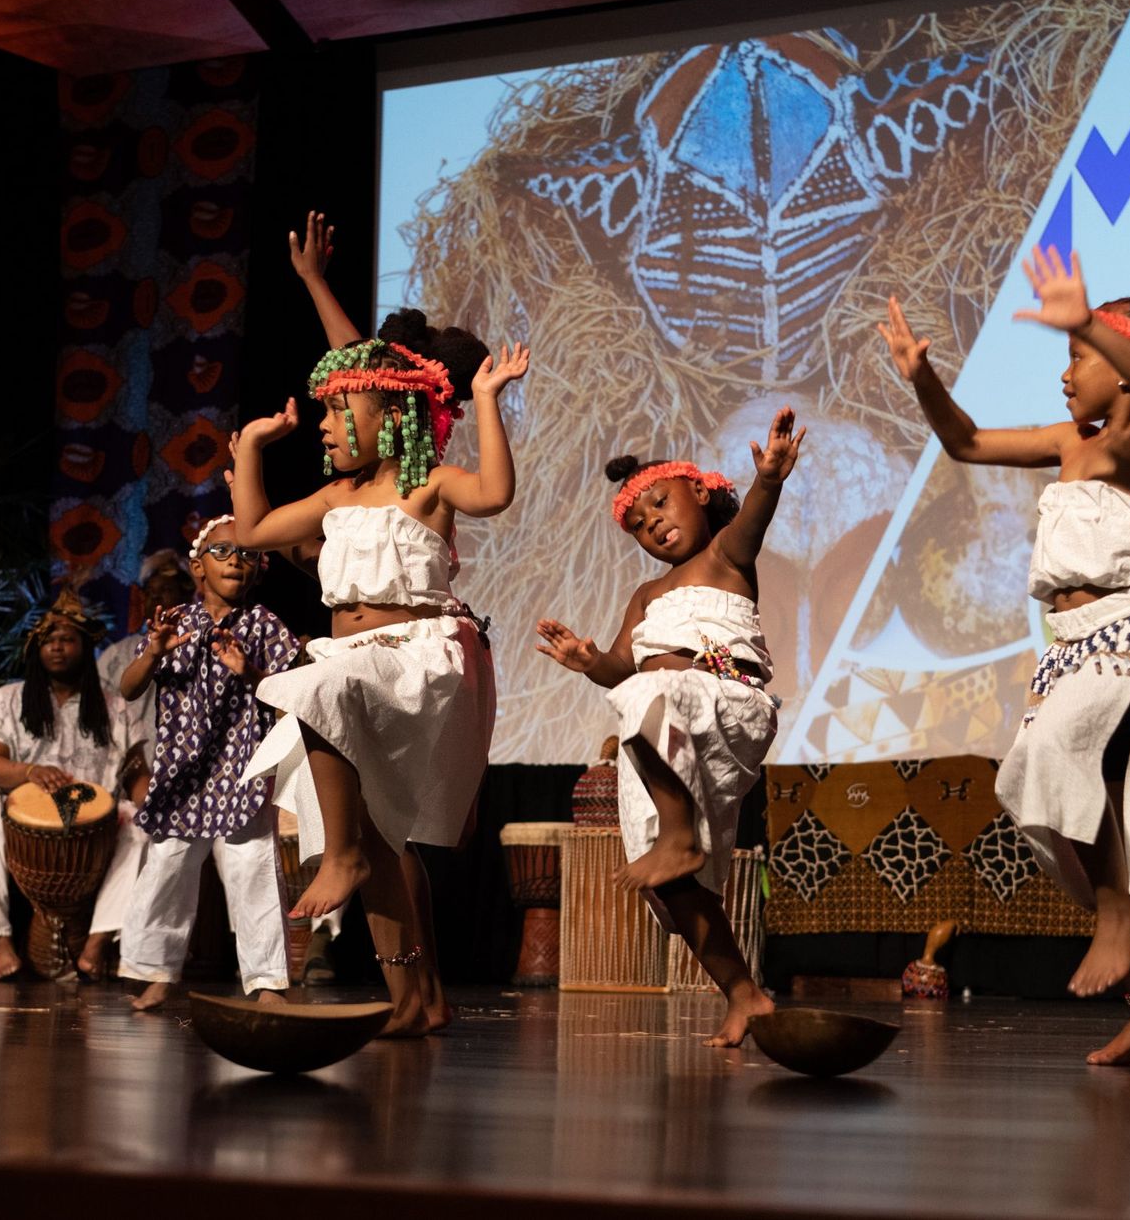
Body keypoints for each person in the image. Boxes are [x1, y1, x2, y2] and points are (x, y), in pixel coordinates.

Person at [879, 249, 1130, 1065]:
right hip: (1069, 645)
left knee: (1051, 752)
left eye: (1081, 359)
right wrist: (920, 379)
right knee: (1031, 793)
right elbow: (963, 442)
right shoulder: (1070, 441)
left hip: (1129, 629)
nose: (1067, 374)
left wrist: (1088, 320)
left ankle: (1122, 912)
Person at [230, 304, 526, 1037]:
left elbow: (494, 494)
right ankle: (416, 997)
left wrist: (486, 399)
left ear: (391, 412)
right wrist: (251, 450)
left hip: (418, 658)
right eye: (323, 414)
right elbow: (253, 532)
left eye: (338, 410)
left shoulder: (429, 486)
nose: (325, 427)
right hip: (353, 662)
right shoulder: (336, 497)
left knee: (312, 688)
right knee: (385, 835)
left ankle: (341, 855)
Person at [536, 410, 805, 1047]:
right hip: (666, 731)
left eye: (662, 503)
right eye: (639, 523)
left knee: (649, 692)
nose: (653, 521)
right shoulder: (645, 595)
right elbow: (620, 669)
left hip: (724, 705)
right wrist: (588, 661)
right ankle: (744, 995)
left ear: (704, 494)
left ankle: (678, 832)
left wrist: (768, 478)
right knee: (668, 885)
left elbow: (756, 516)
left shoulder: (725, 553)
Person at [117, 516, 301, 1010]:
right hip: (182, 771)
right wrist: (154, 652)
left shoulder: (265, 625)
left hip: (240, 768)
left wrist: (251, 673)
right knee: (169, 866)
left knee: (253, 869)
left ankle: (266, 982)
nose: (236, 561)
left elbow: (291, 698)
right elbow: (128, 687)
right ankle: (156, 971)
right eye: (223, 552)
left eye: (246, 554)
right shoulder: (175, 621)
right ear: (197, 566)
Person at [0, 589, 140, 980]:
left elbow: (136, 770)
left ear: (86, 647)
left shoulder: (116, 707)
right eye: (48, 640)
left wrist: (158, 807)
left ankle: (97, 944)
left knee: (141, 828)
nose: (56, 647)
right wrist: (28, 773)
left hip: (99, 820)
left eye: (67, 639)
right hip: (19, 815)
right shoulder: (7, 700)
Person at [96, 549, 193, 790]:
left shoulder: (201, 644)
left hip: (186, 764)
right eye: (150, 593)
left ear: (185, 593)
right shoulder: (118, 654)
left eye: (166, 590)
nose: (156, 599)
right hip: (129, 765)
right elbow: (98, 708)